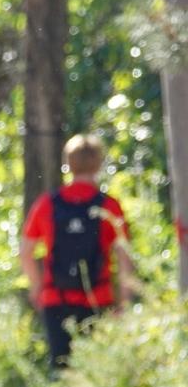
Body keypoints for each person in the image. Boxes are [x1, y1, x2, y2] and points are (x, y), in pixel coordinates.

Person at [20, 134, 134, 368]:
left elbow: (25, 252)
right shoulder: (109, 206)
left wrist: (37, 287)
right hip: (98, 298)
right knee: (96, 369)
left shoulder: (47, 204)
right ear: (99, 163)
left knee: (61, 369)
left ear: (68, 164)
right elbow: (124, 258)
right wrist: (125, 301)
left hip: (55, 299)